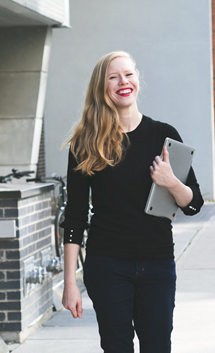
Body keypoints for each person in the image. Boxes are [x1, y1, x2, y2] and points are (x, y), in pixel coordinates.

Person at [61, 51, 204, 353]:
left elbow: (193, 204)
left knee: (157, 347)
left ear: (137, 79)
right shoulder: (86, 142)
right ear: (102, 88)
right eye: (113, 77)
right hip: (107, 265)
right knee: (116, 348)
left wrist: (171, 181)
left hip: (157, 264)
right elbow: (74, 217)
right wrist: (69, 283)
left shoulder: (163, 135)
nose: (123, 82)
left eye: (128, 74)